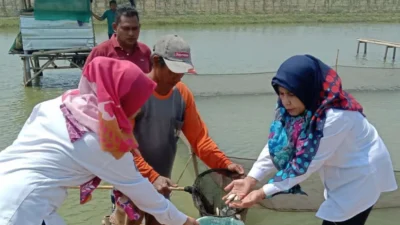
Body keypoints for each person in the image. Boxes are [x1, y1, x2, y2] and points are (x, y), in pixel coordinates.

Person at [0, 57, 198, 225]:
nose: (139, 108)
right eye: (137, 101)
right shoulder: (102, 143)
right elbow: (147, 197)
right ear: (122, 99)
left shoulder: (59, 104)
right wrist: (185, 221)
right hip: (21, 207)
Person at [223, 55, 398, 225]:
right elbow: (278, 144)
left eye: (291, 93)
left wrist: (261, 193)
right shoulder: (298, 107)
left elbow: (305, 163)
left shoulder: (334, 117)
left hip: (362, 173)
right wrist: (251, 179)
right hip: (339, 169)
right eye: (281, 93)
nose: (285, 101)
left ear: (306, 89)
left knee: (343, 216)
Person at [110, 34, 245, 225]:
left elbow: (200, 140)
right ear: (156, 61)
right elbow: (123, 146)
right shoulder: (134, 91)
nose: (179, 76)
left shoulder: (182, 94)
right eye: (174, 70)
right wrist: (151, 176)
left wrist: (224, 164)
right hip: (130, 184)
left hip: (162, 186)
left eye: (183, 70)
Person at [86, 5, 151, 73]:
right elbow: (86, 82)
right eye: (126, 28)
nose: (131, 33)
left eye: (135, 28)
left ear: (139, 27)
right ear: (115, 27)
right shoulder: (100, 52)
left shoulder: (145, 51)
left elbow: (153, 81)